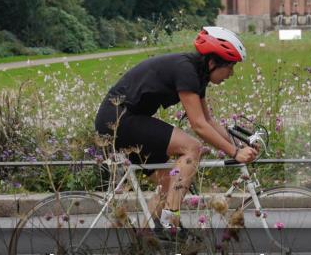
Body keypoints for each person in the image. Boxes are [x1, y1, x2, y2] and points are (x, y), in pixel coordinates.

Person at [94, 26, 258, 239]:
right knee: (192, 147)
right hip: (119, 119)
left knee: (168, 181)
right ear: (213, 62)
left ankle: (145, 244)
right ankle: (170, 221)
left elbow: (208, 120)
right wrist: (234, 154)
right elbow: (198, 125)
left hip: (127, 119)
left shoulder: (197, 75)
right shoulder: (186, 70)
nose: (231, 74)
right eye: (230, 67)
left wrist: (237, 146)